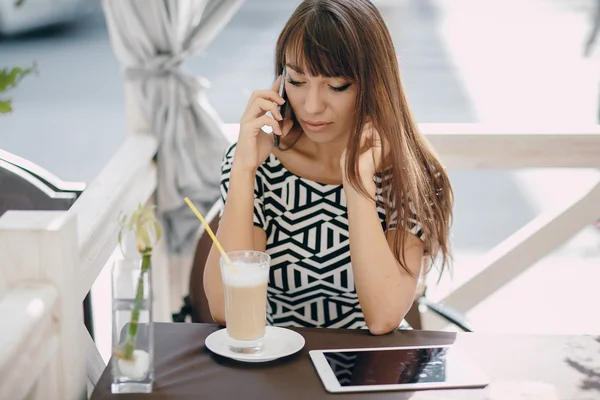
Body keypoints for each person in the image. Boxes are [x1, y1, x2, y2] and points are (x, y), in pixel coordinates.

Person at [204, 0, 453, 335]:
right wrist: (244, 169)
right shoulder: (260, 167)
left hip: (374, 372)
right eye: (296, 80)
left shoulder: (410, 175)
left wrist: (356, 181)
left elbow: (382, 318)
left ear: (373, 84)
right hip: (280, 367)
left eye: (336, 86)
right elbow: (224, 309)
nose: (311, 105)